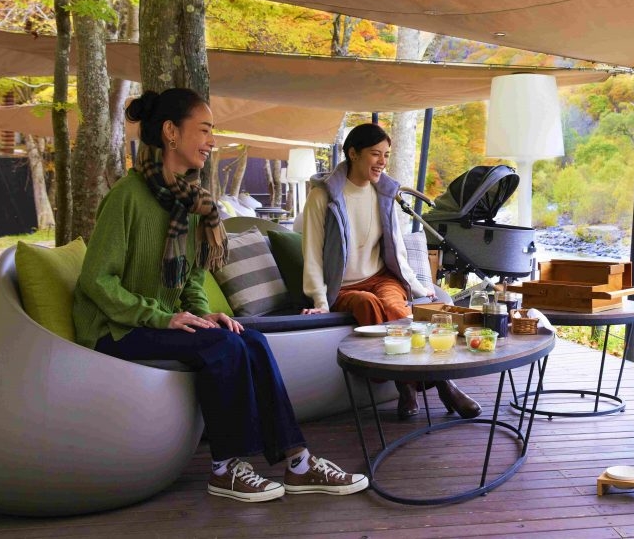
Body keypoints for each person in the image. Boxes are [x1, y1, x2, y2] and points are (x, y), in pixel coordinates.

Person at [72, 88, 368, 504]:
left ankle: (299, 463)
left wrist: (203, 313)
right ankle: (225, 468)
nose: (212, 141)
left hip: (157, 321)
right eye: (205, 130)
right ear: (171, 132)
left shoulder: (193, 202)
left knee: (251, 339)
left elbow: (191, 277)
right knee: (222, 346)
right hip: (114, 328)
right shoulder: (127, 196)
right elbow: (96, 280)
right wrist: (162, 318)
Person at [301, 123, 481, 421]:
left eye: (386, 155)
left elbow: (396, 248)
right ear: (353, 153)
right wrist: (320, 302)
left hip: (381, 277)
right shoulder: (323, 197)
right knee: (368, 304)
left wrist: (418, 286)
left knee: (397, 309)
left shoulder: (383, 194)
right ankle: (410, 385)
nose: (382, 162)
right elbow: (312, 254)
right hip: (342, 287)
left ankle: (440, 383)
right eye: (375, 154)